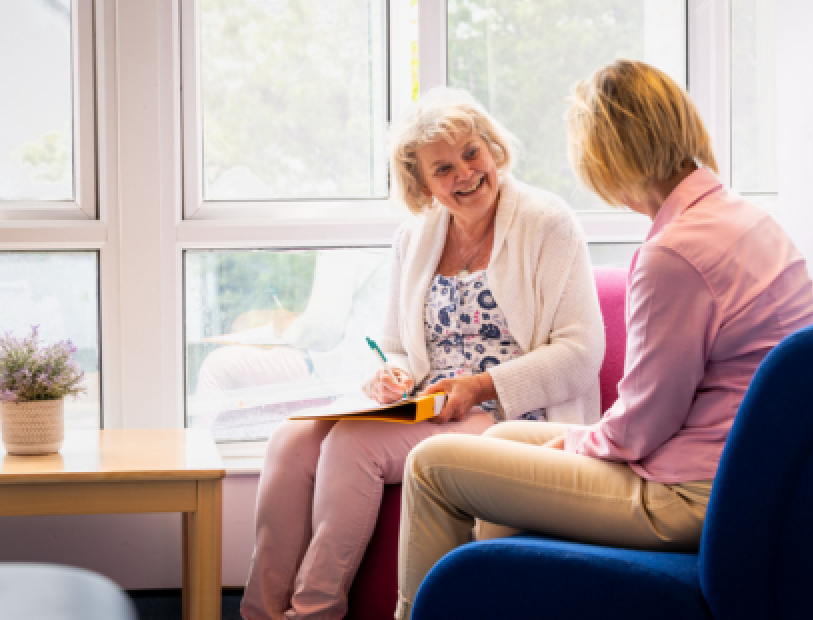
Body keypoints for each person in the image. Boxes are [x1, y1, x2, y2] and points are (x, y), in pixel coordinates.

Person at [394, 59, 813, 618]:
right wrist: (576, 441)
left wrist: (574, 443)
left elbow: (643, 424)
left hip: (687, 495)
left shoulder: (674, 253)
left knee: (432, 464)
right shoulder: (747, 220)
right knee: (491, 452)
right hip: (736, 475)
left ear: (609, 158)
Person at [240, 88, 606, 620]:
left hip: (508, 413)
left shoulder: (547, 222)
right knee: (289, 440)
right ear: (421, 183)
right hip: (429, 407)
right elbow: (393, 347)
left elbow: (580, 352)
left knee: (351, 446)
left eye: (472, 153)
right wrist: (387, 374)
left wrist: (479, 387)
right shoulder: (414, 236)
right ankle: (260, 611)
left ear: (493, 148)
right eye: (443, 168)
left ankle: (315, 611)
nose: (465, 173)